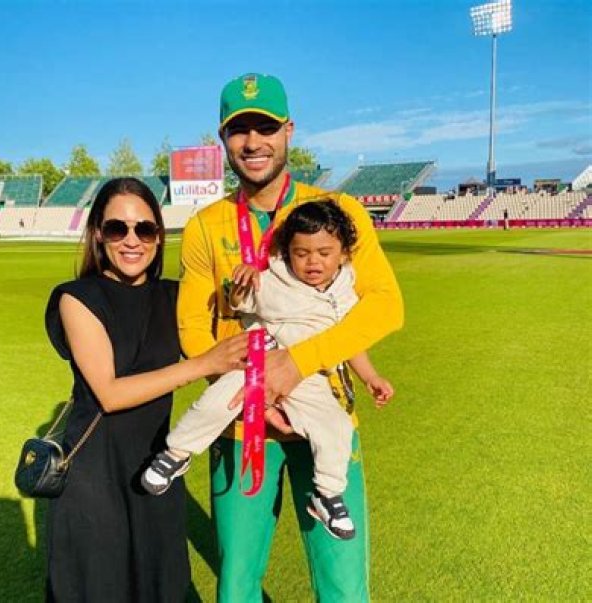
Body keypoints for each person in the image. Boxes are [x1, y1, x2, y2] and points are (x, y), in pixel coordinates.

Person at [176, 73, 404, 601]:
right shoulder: (206, 226)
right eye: (240, 130)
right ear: (223, 137)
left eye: (266, 127)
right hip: (242, 426)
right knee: (237, 584)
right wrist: (255, 396)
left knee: (344, 586)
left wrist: (297, 364)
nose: (253, 142)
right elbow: (193, 328)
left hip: (326, 415)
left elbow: (385, 304)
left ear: (289, 131)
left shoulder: (337, 213)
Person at [44, 177, 247, 602]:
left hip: (157, 467)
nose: (132, 240)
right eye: (117, 228)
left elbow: (240, 317)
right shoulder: (77, 298)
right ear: (98, 233)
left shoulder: (174, 296)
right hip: (95, 479)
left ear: (158, 235)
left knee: (162, 586)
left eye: (145, 229)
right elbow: (110, 393)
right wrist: (202, 365)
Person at [142, 201, 394, 542]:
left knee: (337, 426)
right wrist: (242, 283)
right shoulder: (274, 280)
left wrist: (371, 377)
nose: (313, 262)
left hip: (311, 378)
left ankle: (327, 495)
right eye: (301, 253)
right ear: (288, 253)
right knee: (220, 400)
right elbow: (240, 301)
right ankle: (176, 453)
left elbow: (348, 342)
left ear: (343, 253)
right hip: (260, 364)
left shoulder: (346, 291)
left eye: (324, 253)